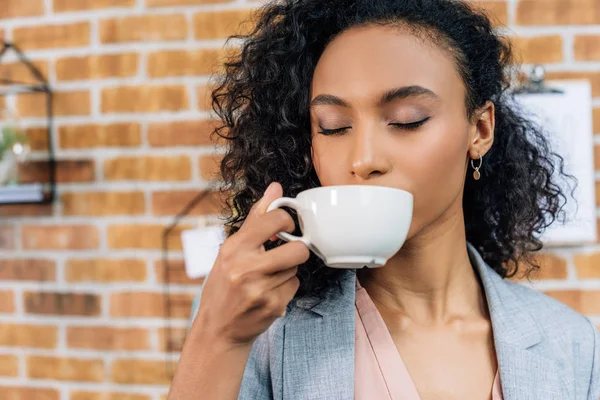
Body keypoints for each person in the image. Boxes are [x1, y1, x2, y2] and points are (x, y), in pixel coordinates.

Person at [168, 0, 600, 398]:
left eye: (407, 120)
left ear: (480, 130)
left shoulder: (574, 346)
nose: (364, 159)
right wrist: (217, 338)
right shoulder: (258, 326)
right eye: (334, 126)